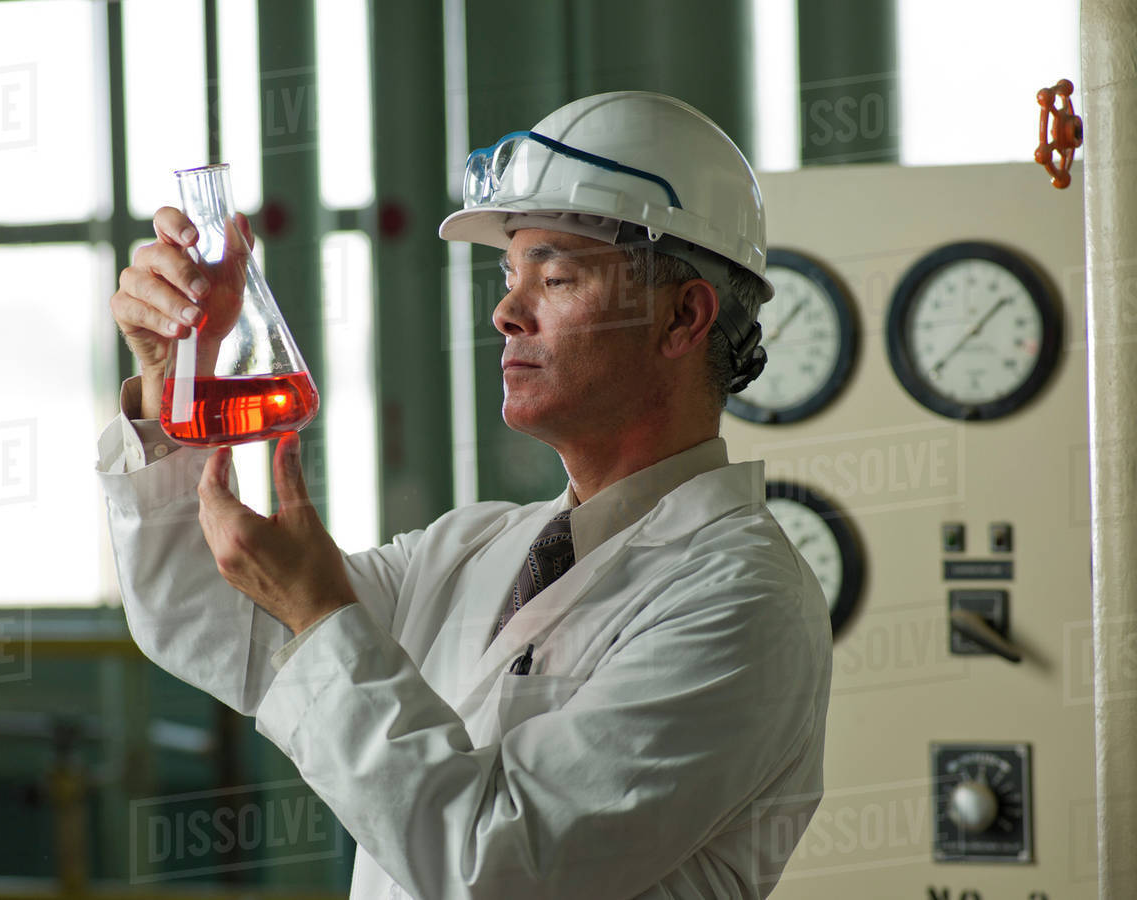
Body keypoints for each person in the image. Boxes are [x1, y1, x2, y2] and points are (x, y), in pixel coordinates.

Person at [99, 91, 832, 899]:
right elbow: (207, 618)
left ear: (682, 317)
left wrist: (320, 617)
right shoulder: (475, 550)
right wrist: (176, 375)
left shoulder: (742, 600)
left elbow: (492, 865)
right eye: (509, 273)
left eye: (555, 276)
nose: (506, 312)